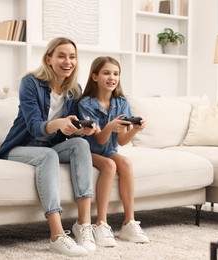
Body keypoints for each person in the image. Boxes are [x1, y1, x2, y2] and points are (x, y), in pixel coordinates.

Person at [0, 37, 97, 257]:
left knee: (80, 144)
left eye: (72, 56)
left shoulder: (74, 89)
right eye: (61, 56)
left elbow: (74, 124)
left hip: (51, 145)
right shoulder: (30, 82)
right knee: (48, 155)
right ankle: (57, 235)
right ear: (48, 59)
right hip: (21, 146)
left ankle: (84, 225)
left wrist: (83, 128)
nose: (68, 61)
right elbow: (33, 127)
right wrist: (58, 123)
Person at [78, 56, 150, 247]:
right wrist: (109, 126)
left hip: (108, 150)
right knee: (109, 165)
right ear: (95, 76)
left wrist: (135, 129)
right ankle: (101, 223)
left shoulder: (121, 102)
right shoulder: (85, 104)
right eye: (106, 73)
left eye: (116, 74)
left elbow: (121, 141)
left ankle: (129, 222)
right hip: (88, 151)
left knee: (125, 162)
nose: (112, 77)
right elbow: (99, 138)